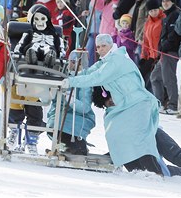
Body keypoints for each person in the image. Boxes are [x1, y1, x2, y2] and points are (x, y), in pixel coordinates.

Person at [63, 34, 164, 175]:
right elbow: (89, 72)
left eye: (104, 46)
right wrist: (70, 76)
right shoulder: (106, 61)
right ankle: (135, 169)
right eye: (98, 47)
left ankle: (155, 172)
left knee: (140, 140)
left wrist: (71, 82)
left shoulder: (117, 60)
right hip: (126, 106)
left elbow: (96, 78)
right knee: (116, 134)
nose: (100, 49)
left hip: (138, 103)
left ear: (111, 45)